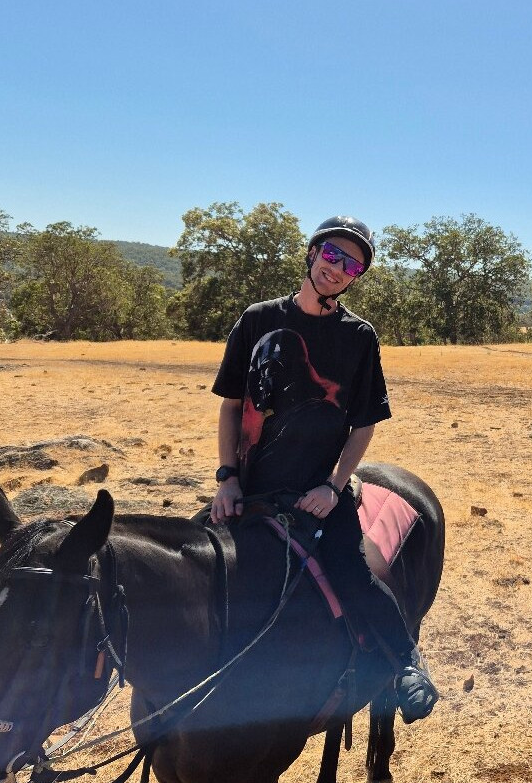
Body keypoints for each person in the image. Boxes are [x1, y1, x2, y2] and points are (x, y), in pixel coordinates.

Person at [209, 214, 439, 723]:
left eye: (351, 265)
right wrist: (227, 479)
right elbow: (231, 405)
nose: (336, 268)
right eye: (331, 254)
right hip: (248, 488)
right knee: (197, 567)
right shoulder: (258, 319)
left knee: (354, 573)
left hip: (318, 492)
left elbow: (363, 424)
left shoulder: (359, 337)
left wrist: (334, 487)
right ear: (312, 254)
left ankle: (406, 663)